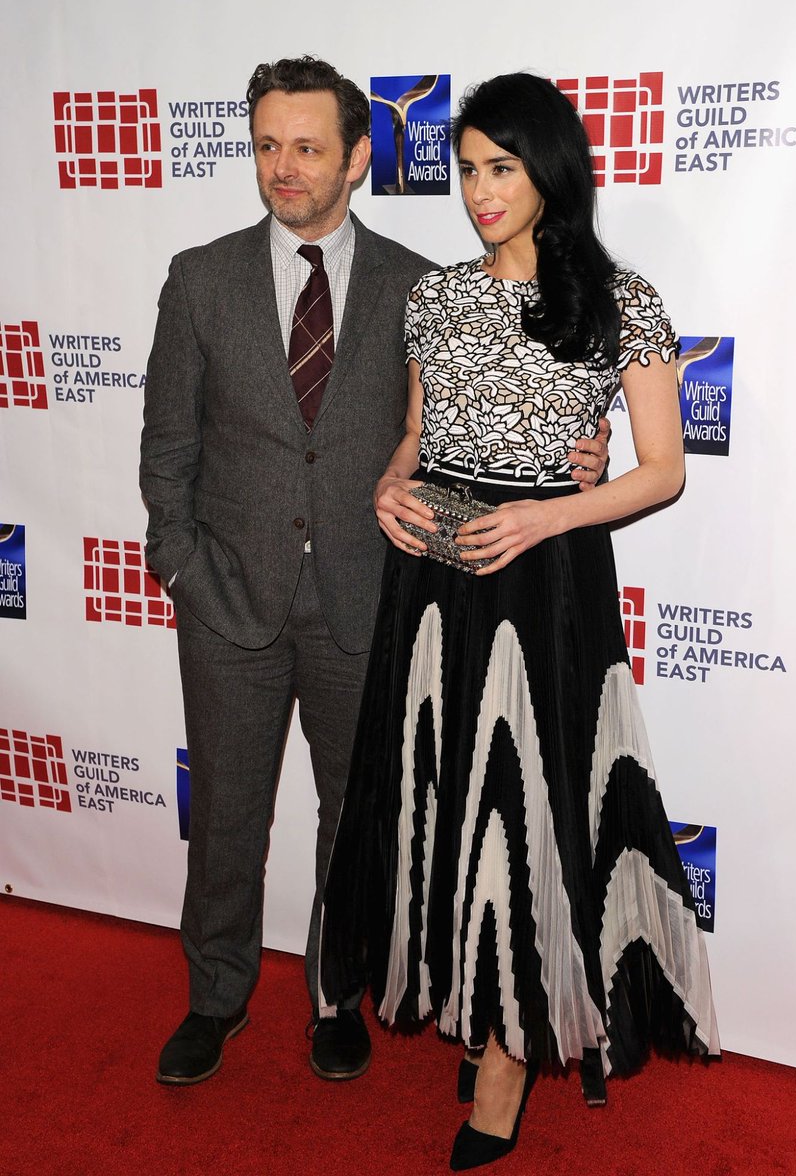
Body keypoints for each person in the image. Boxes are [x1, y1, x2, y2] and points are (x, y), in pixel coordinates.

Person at [139, 57, 611, 1089]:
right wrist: (179, 567)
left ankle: (335, 994)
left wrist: (584, 452)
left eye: (307, 147)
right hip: (226, 602)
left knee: (356, 818)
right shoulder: (198, 277)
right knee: (223, 814)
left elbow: (506, 410)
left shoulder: (423, 287)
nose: (283, 168)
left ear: (359, 157)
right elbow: (164, 452)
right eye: (267, 145)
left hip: (372, 595)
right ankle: (215, 996)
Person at [319, 72, 719, 1170]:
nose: (480, 192)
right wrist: (385, 489)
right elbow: (415, 436)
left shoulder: (619, 299)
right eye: (467, 169)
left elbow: (659, 473)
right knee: (446, 798)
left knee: (526, 804)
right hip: (433, 583)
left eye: (503, 167)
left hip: (541, 584)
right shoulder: (434, 299)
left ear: (549, 170)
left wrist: (543, 520)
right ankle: (474, 992)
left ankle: (506, 1054)